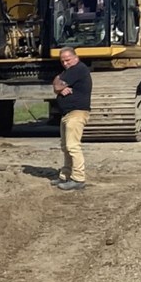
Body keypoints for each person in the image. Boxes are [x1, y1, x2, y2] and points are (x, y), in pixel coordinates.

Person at [53, 47, 92, 190]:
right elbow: (56, 83)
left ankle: (78, 178)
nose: (65, 63)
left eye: (68, 60)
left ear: (76, 57)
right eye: (62, 61)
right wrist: (59, 86)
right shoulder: (68, 72)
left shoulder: (78, 69)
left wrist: (58, 86)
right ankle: (66, 175)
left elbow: (57, 84)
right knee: (65, 146)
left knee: (73, 146)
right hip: (67, 113)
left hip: (77, 113)